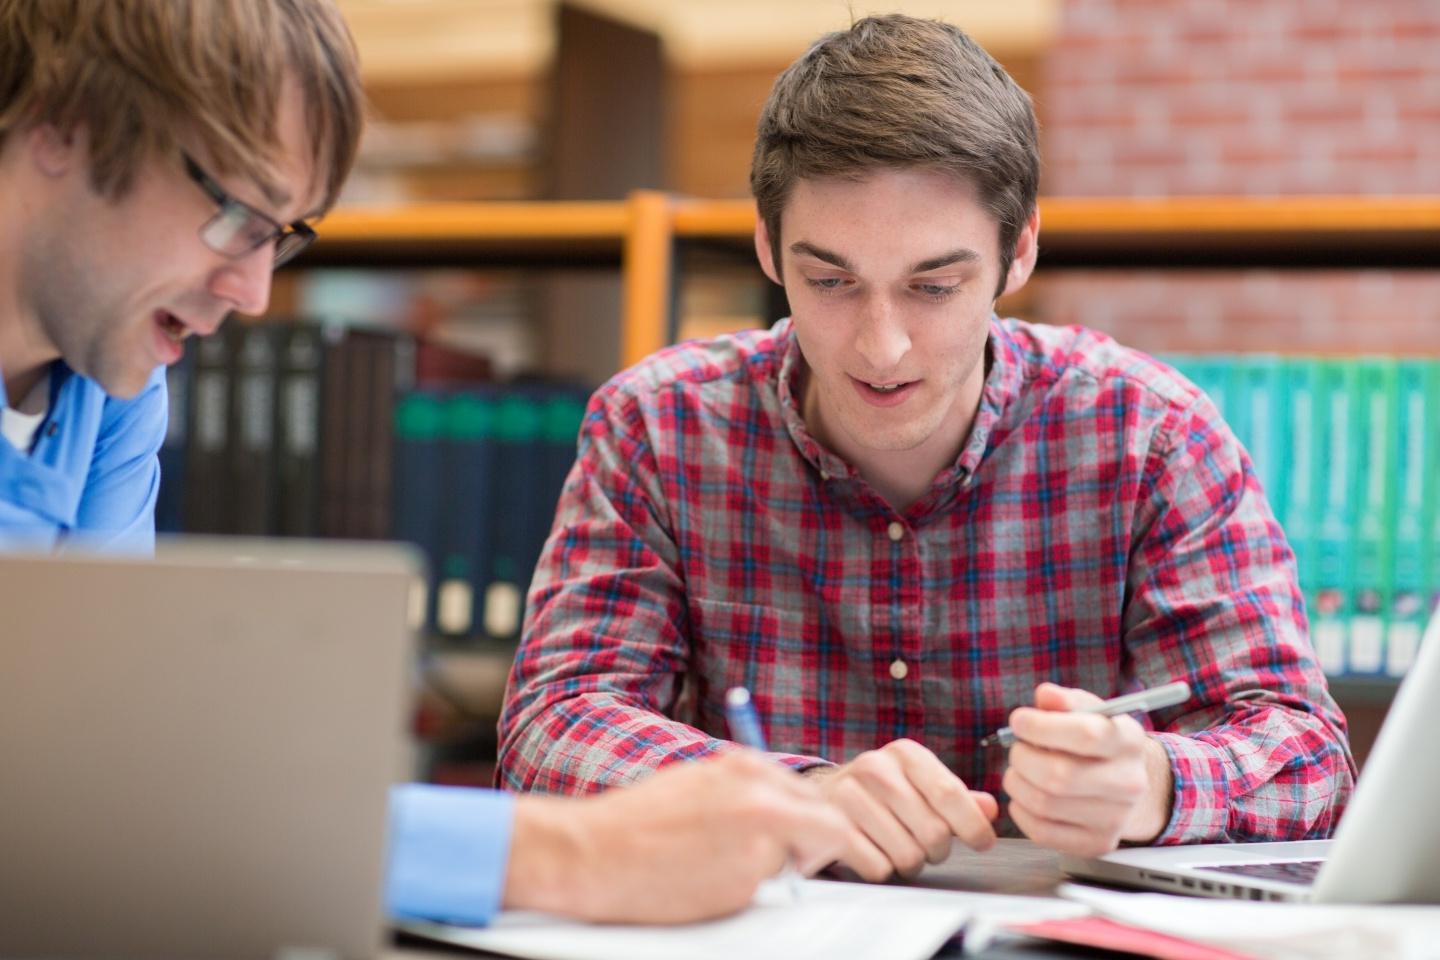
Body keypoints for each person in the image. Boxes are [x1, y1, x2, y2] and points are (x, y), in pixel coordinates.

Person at [0, 0, 865, 927]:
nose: (253, 293)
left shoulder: (109, 391)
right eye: (238, 217)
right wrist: (562, 856)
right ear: (63, 125)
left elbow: (102, 777)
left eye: (283, 236)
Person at [498, 13, 1357, 881]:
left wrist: (1156, 785)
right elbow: (549, 729)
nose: (883, 347)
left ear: (1017, 253)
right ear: (767, 249)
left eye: (935, 287)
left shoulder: (1151, 436)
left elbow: (1310, 757)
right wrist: (793, 794)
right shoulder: (658, 428)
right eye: (830, 281)